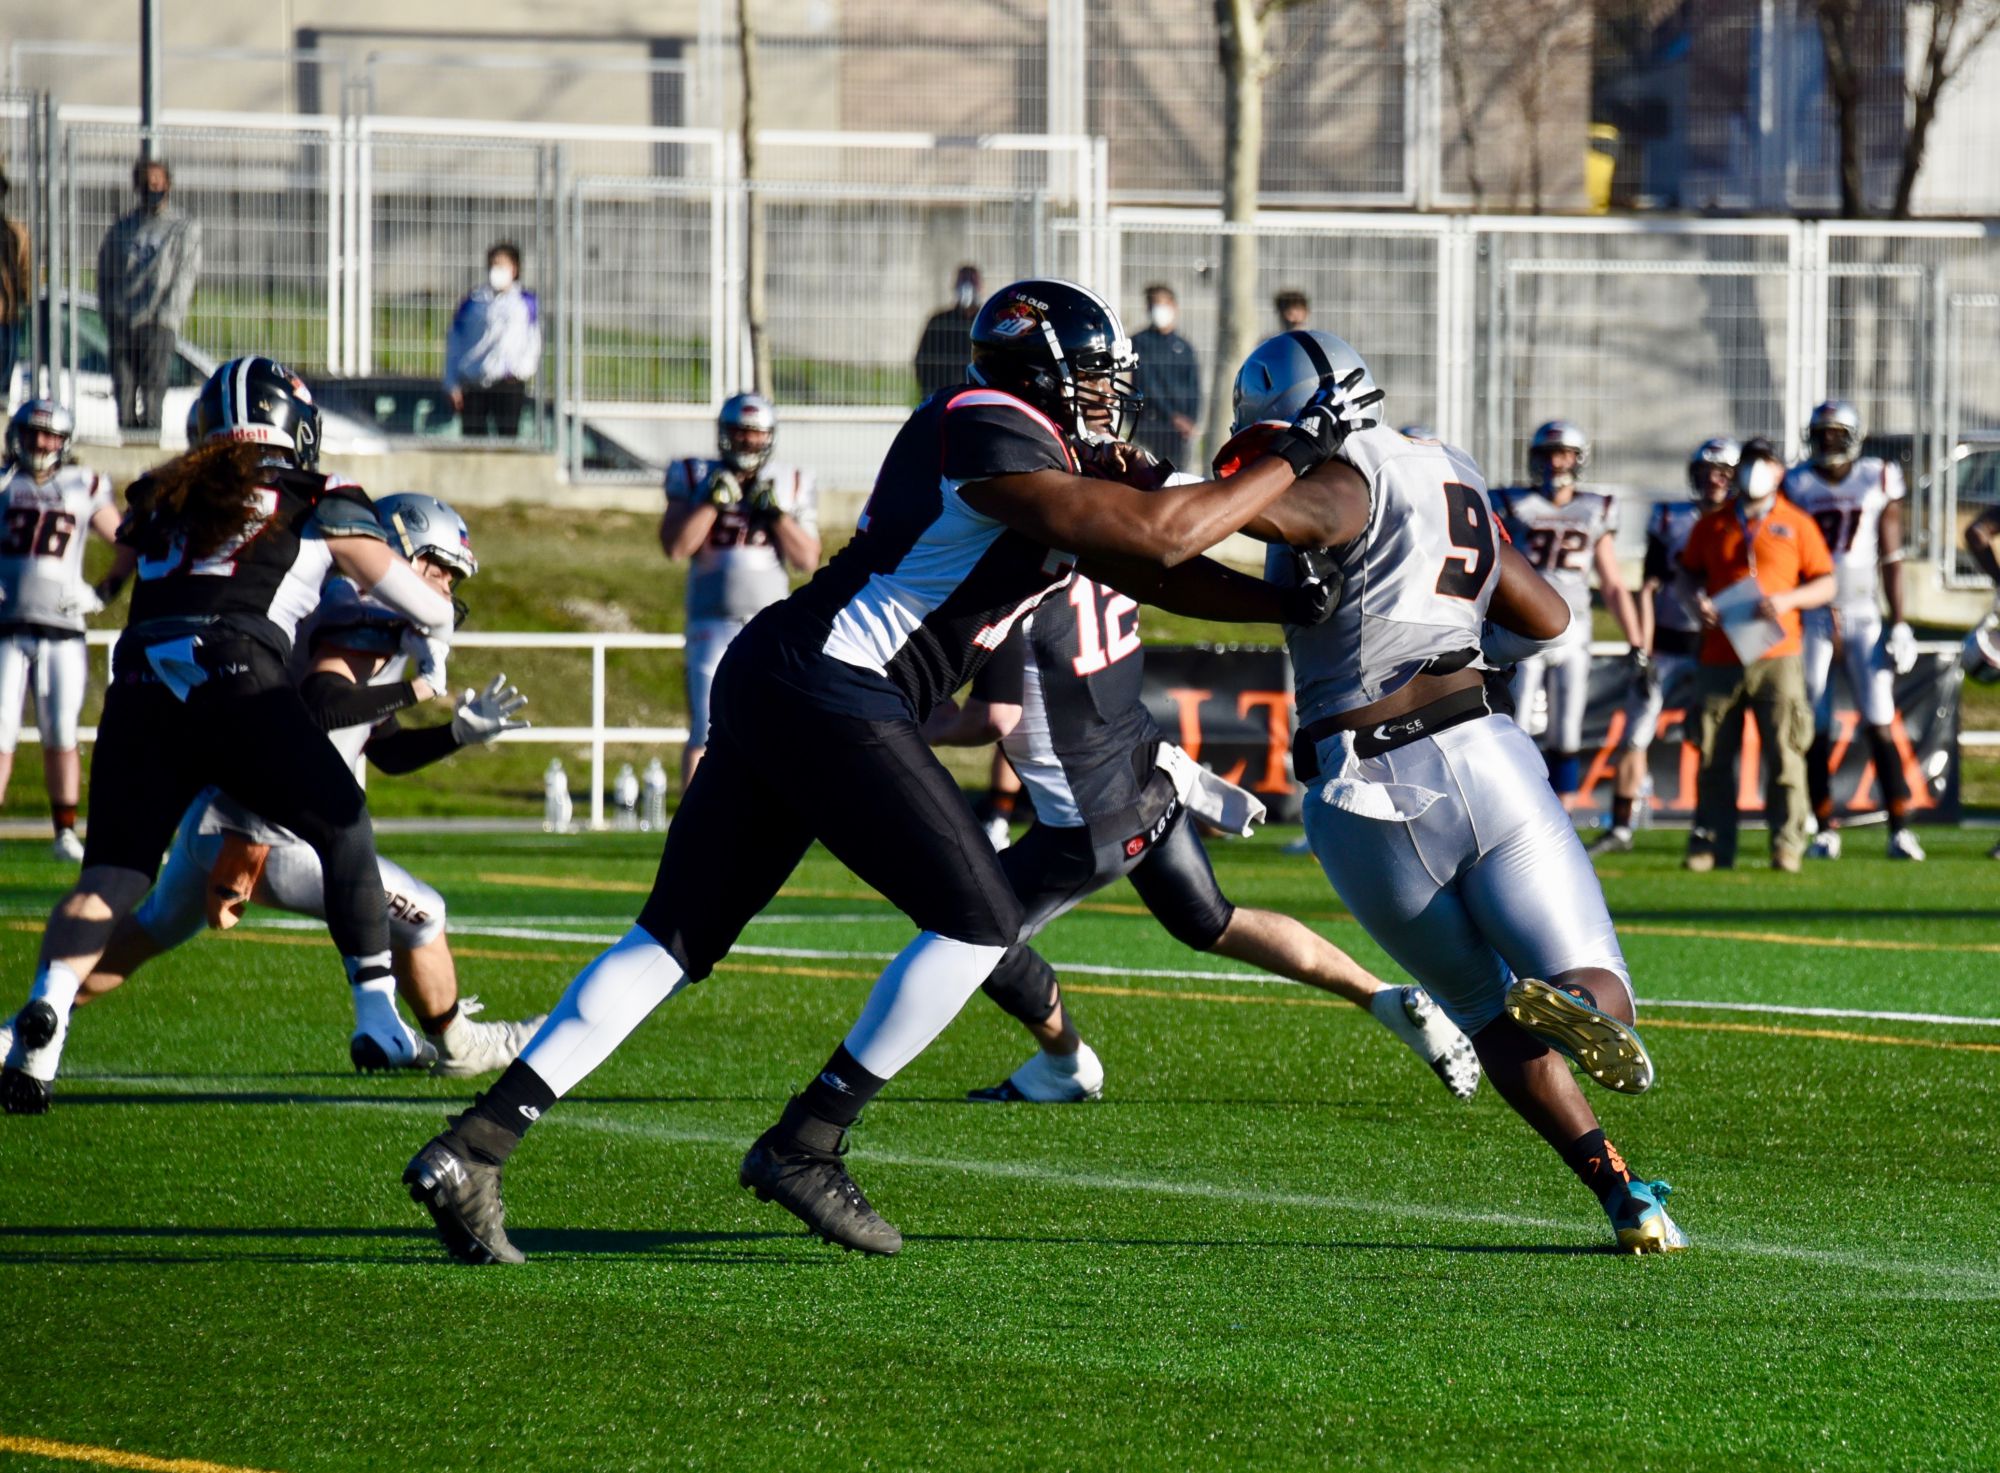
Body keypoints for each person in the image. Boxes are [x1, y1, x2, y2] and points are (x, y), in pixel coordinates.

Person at [401, 277, 1356, 1265]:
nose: (1110, 397)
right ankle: (807, 1141)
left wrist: (1280, 608)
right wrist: (1293, 451)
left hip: (794, 679)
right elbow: (1158, 534)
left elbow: (1152, 567)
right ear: (1040, 372)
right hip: (834, 684)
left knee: (674, 938)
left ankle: (476, 1146)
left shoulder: (1032, 448)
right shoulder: (983, 423)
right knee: (981, 922)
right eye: (1094, 376)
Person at [1245, 328, 1686, 1254]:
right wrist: (1467, 632)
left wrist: (1186, 491)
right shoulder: (1448, 468)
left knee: (1485, 1012)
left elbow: (1290, 514)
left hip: (1364, 789)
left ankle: (1617, 1190)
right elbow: (1549, 614)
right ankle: (1580, 1008)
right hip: (1483, 749)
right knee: (1599, 982)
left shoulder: (1338, 477)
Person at [0, 357, 458, 1115]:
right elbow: (424, 603)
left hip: (141, 681)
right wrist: (432, 645)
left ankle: (42, 1027)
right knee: (342, 821)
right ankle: (377, 1013)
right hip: (236, 673)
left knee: (111, 877)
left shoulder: (166, 493)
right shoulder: (317, 494)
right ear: (295, 427)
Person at [926, 568, 1480, 1105]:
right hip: (1149, 774)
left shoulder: (1023, 577)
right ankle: (1383, 998)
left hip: (1091, 815)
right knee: (1216, 921)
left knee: (974, 931)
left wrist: (914, 722)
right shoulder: (1107, 553)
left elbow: (992, 718)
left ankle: (1065, 1063)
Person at [57, 494, 542, 1081]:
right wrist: (419, 689)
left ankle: (37, 1017)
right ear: (397, 550)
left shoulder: (345, 606)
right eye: (436, 568)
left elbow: (381, 748)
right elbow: (324, 703)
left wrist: (456, 735)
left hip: (218, 815)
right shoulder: (360, 612)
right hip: (278, 833)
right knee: (425, 916)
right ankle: (460, 1046)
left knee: (156, 926)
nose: (444, 587)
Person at [1674, 438, 1836, 873]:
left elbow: (1826, 583)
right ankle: (1712, 843)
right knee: (1712, 756)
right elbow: (1686, 576)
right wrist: (1696, 602)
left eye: (1764, 463)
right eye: (1748, 463)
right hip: (1720, 652)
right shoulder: (1713, 524)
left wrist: (1787, 600)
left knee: (1785, 753)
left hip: (1778, 654)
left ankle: (1787, 844)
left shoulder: (1796, 523)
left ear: (1780, 471)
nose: (1754, 471)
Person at [659, 393, 820, 789]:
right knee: (704, 730)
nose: (747, 441)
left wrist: (777, 516)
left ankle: (766, 816)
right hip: (711, 622)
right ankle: (695, 821)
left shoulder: (790, 480)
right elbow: (676, 547)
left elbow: (807, 559)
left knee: (774, 730)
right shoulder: (695, 474)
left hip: (770, 624)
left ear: (769, 436)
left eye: (755, 433)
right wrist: (709, 504)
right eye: (739, 432)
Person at [1785, 401, 1922, 861]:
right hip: (1813, 613)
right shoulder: (1796, 483)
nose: (1828, 441)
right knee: (1816, 723)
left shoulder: (1875, 476)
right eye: (1821, 433)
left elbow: (1891, 555)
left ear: (1854, 436)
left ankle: (1900, 828)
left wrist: (1899, 622)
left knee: (1879, 718)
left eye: (1836, 433)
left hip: (1863, 612)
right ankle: (1825, 828)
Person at [1590, 438, 1738, 856]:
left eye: (1723, 473)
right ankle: (1621, 826)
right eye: (1706, 472)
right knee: (1635, 734)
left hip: (1716, 648)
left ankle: (1707, 825)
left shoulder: (1742, 521)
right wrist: (1643, 646)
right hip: (1668, 644)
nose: (1713, 481)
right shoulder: (1671, 517)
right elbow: (1649, 587)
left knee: (1712, 740)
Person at [0, 401, 131, 861]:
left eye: (50, 434)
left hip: (63, 628)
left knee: (61, 732)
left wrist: (103, 593)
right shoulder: (3, 482)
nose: (41, 442)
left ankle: (65, 833)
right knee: (0, 733)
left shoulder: (83, 483)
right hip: (7, 627)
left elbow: (128, 543)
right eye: (33, 433)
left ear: (65, 440)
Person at [1491, 422, 1643, 808]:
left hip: (1575, 627)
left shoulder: (1595, 508)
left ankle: (1565, 810)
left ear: (1578, 459)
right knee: (1517, 724)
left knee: (1568, 729)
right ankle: (1515, 805)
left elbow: (1612, 582)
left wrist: (1637, 640)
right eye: (1548, 454)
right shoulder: (1512, 503)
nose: (1556, 463)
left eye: (1563, 454)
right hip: (1525, 625)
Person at [96, 158, 201, 435]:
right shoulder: (122, 228)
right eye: (146, 183)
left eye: (157, 183)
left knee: (153, 393)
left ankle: (149, 443)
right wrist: (111, 314)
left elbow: (184, 277)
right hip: (123, 322)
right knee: (124, 392)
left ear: (167, 185)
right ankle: (127, 440)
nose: (152, 189)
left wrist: (165, 317)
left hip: (157, 323)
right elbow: (105, 273)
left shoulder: (182, 228)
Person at [444, 243, 542, 439]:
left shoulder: (525, 302)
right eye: (493, 264)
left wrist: (521, 370)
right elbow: (455, 341)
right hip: (474, 382)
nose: (496, 269)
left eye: (502, 265)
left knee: (507, 441)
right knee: (473, 443)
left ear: (514, 269)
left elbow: (534, 342)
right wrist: (452, 383)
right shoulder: (473, 302)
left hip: (508, 383)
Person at [1129, 284, 1201, 469]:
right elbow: (1145, 383)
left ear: (1174, 307)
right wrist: (1172, 416)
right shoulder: (1139, 342)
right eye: (1154, 304)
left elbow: (1194, 387)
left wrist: (1191, 421)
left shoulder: (1184, 347)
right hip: (1150, 425)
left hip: (1179, 432)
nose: (1159, 310)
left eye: (1164, 304)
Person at [912, 265, 982, 401]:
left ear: (981, 287)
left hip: (977, 396)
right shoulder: (939, 321)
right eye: (963, 281)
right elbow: (923, 360)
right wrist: (931, 393)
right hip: (944, 395)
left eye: (972, 281)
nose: (967, 286)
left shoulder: (985, 321)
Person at [0, 165, 28, 397]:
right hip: (7, 316)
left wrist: (24, 301)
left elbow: (26, 273)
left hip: (8, 319)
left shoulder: (14, 232)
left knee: (3, 386)